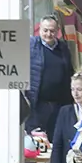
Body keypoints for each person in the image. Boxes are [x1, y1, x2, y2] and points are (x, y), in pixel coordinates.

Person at [27, 16, 73, 145]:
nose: (48, 34)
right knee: (34, 144)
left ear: (57, 30)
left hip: (59, 106)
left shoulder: (63, 48)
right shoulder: (31, 46)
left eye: (52, 31)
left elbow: (70, 72)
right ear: (39, 29)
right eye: (45, 30)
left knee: (57, 143)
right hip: (37, 105)